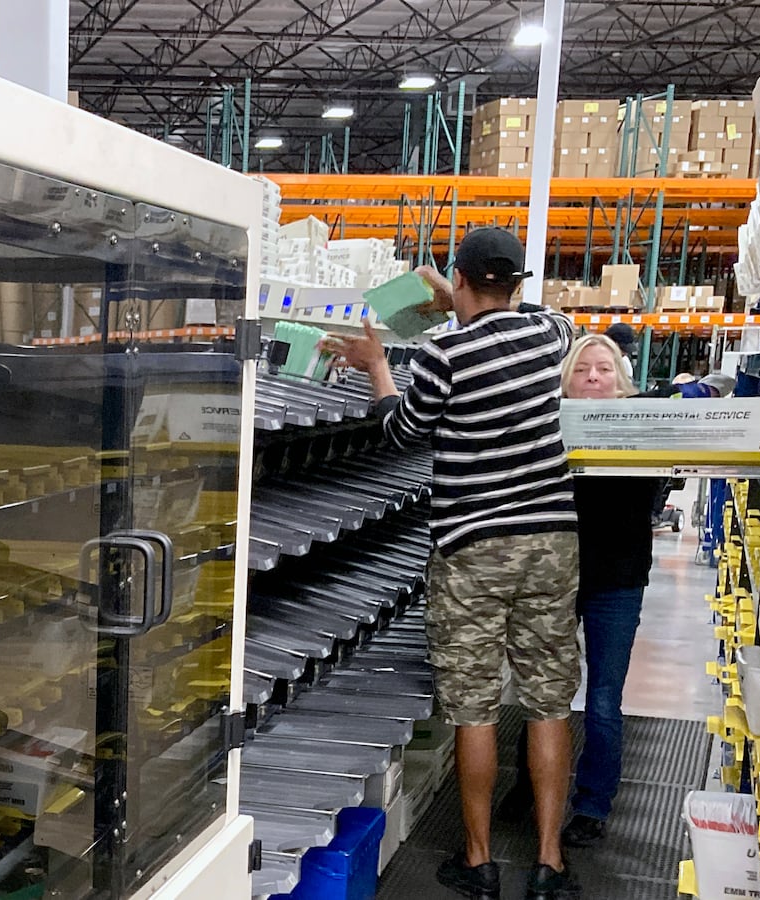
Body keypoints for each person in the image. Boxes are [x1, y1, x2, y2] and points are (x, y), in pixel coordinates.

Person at [325, 228, 582, 900]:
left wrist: (379, 366)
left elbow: (402, 432)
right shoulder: (551, 334)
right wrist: (464, 297)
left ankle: (479, 861)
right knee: (549, 703)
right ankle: (550, 863)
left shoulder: (444, 351)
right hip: (550, 543)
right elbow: (540, 314)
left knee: (474, 709)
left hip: (471, 548)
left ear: (460, 280)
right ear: (518, 284)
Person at [556, 334, 668, 847]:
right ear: (568, 382)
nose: (594, 377)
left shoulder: (644, 428)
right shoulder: (552, 430)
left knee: (603, 698)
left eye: (604, 369)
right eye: (583, 370)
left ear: (622, 382)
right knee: (545, 693)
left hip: (618, 580)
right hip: (556, 575)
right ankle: (528, 786)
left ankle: (593, 803)